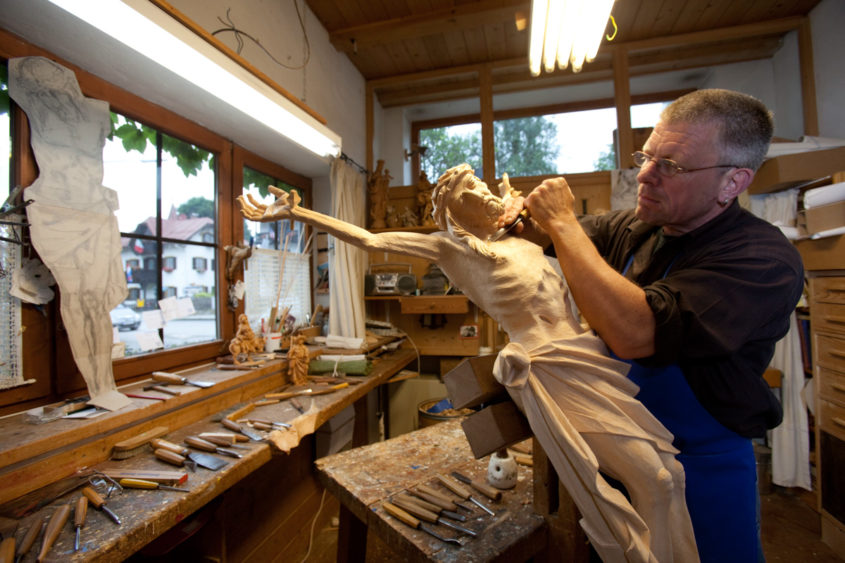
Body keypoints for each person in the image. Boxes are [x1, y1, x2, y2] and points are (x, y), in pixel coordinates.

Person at [239, 165, 698, 562]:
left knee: (670, 475)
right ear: (451, 214)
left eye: (478, 184)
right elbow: (369, 237)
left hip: (592, 357)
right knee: (656, 479)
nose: (479, 193)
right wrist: (297, 214)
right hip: (550, 369)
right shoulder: (450, 249)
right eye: (465, 195)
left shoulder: (522, 240)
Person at [500, 88, 804, 562]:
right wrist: (522, 220)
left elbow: (637, 332)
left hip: (699, 471)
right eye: (647, 156)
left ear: (733, 182)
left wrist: (561, 223)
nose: (645, 174)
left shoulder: (762, 260)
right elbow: (558, 236)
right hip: (617, 456)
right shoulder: (639, 227)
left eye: (673, 166)